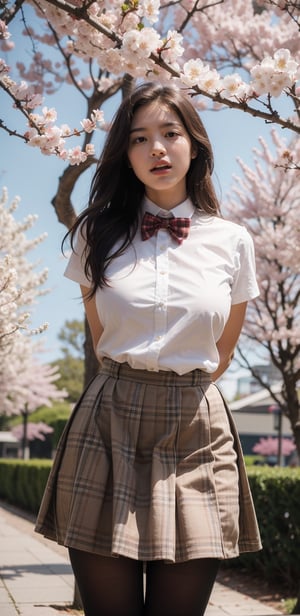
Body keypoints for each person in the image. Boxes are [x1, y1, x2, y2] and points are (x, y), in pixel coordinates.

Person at [35, 82, 262, 616]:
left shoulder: (233, 241)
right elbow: (100, 336)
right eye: (139, 139)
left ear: (195, 145)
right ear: (125, 154)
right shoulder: (97, 234)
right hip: (109, 420)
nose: (156, 148)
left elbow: (222, 349)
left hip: (195, 430)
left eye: (170, 133)